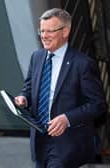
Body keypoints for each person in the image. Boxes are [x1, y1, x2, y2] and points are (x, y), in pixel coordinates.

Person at [14, 8, 107, 168]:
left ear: (65, 31)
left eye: (50, 31)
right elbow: (29, 88)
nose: (44, 36)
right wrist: (23, 98)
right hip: (39, 141)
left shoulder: (82, 64)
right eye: (41, 30)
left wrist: (67, 119)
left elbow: (98, 105)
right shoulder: (36, 57)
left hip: (68, 144)